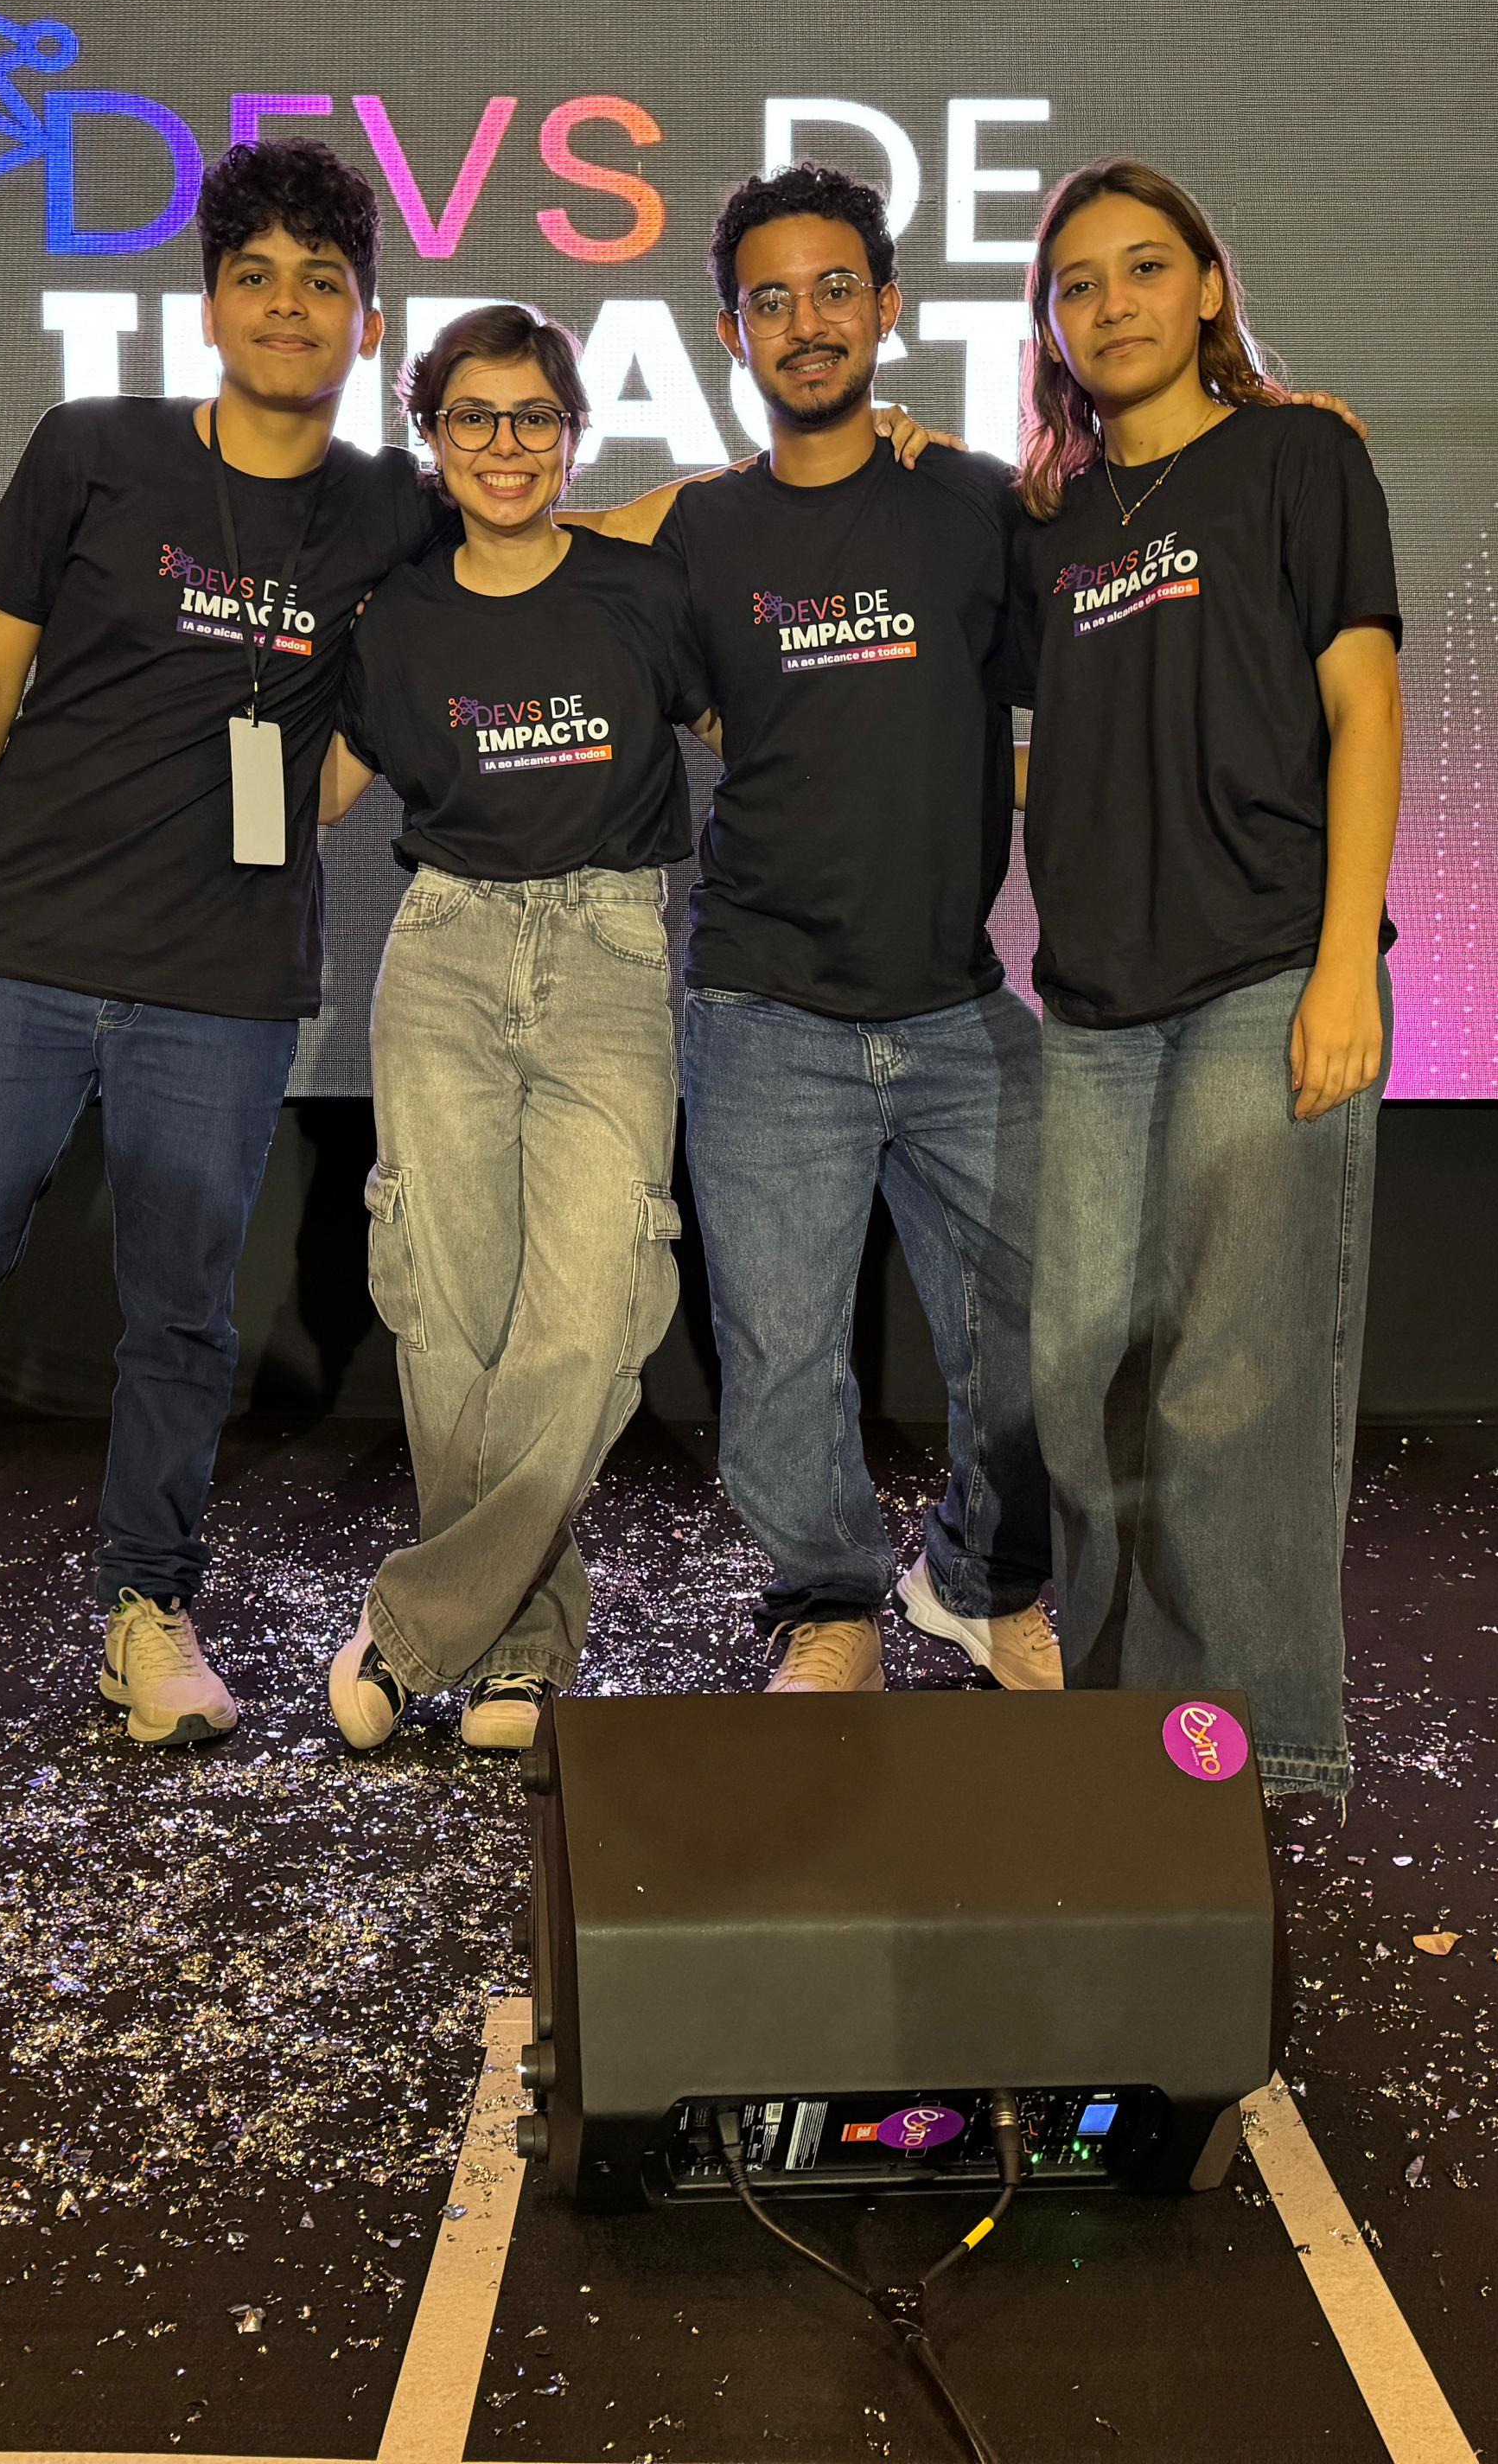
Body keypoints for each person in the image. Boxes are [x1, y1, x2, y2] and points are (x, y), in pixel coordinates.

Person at [0, 137, 433, 1766]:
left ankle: (147, 1612)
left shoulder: (391, 506)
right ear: (210, 307)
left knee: (181, 1321)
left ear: (368, 323)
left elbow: (555, 541)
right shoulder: (94, 449)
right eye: (255, 277)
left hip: (222, 981)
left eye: (323, 282)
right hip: (17, 951)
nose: (288, 307)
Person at [595, 164, 1058, 1696]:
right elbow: (527, 559)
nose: (807, 322)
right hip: (762, 1010)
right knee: (784, 1359)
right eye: (771, 300)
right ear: (732, 333)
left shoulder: (973, 502)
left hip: (958, 1006)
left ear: (890, 308)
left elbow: (1139, 524)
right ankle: (830, 1603)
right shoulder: (697, 532)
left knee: (1037, 1337)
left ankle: (978, 1581)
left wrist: (1276, 419)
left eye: (835, 289)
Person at [1004, 158, 1404, 1828]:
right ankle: (1123, 1728)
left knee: (1233, 1384)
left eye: (1145, 267)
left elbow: (1366, 709)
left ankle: (1248, 1754)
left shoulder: (1300, 459)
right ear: (1050, 326)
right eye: (1078, 284)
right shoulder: (1047, 526)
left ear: (1211, 287)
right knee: (1083, 1370)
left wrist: (1344, 964)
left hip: (1266, 976)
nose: (1114, 304)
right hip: (1096, 1003)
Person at [315, 306, 700, 1752]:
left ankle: (418, 1628)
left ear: (573, 434)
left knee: (591, 1311)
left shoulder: (642, 591)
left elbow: (779, 739)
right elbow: (317, 792)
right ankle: (524, 1652)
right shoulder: (396, 617)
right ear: (431, 435)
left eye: (534, 416)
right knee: (450, 1316)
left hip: (609, 950)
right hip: (445, 956)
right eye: (472, 417)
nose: (505, 445)